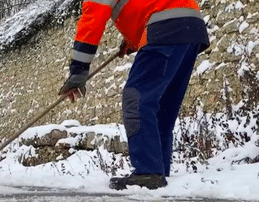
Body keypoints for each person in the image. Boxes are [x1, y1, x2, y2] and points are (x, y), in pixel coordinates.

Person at [58, 0, 209, 190]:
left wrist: (78, 70)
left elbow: (92, 20)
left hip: (164, 27)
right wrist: (133, 39)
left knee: (137, 99)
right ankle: (157, 170)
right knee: (161, 105)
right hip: (192, 27)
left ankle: (148, 172)